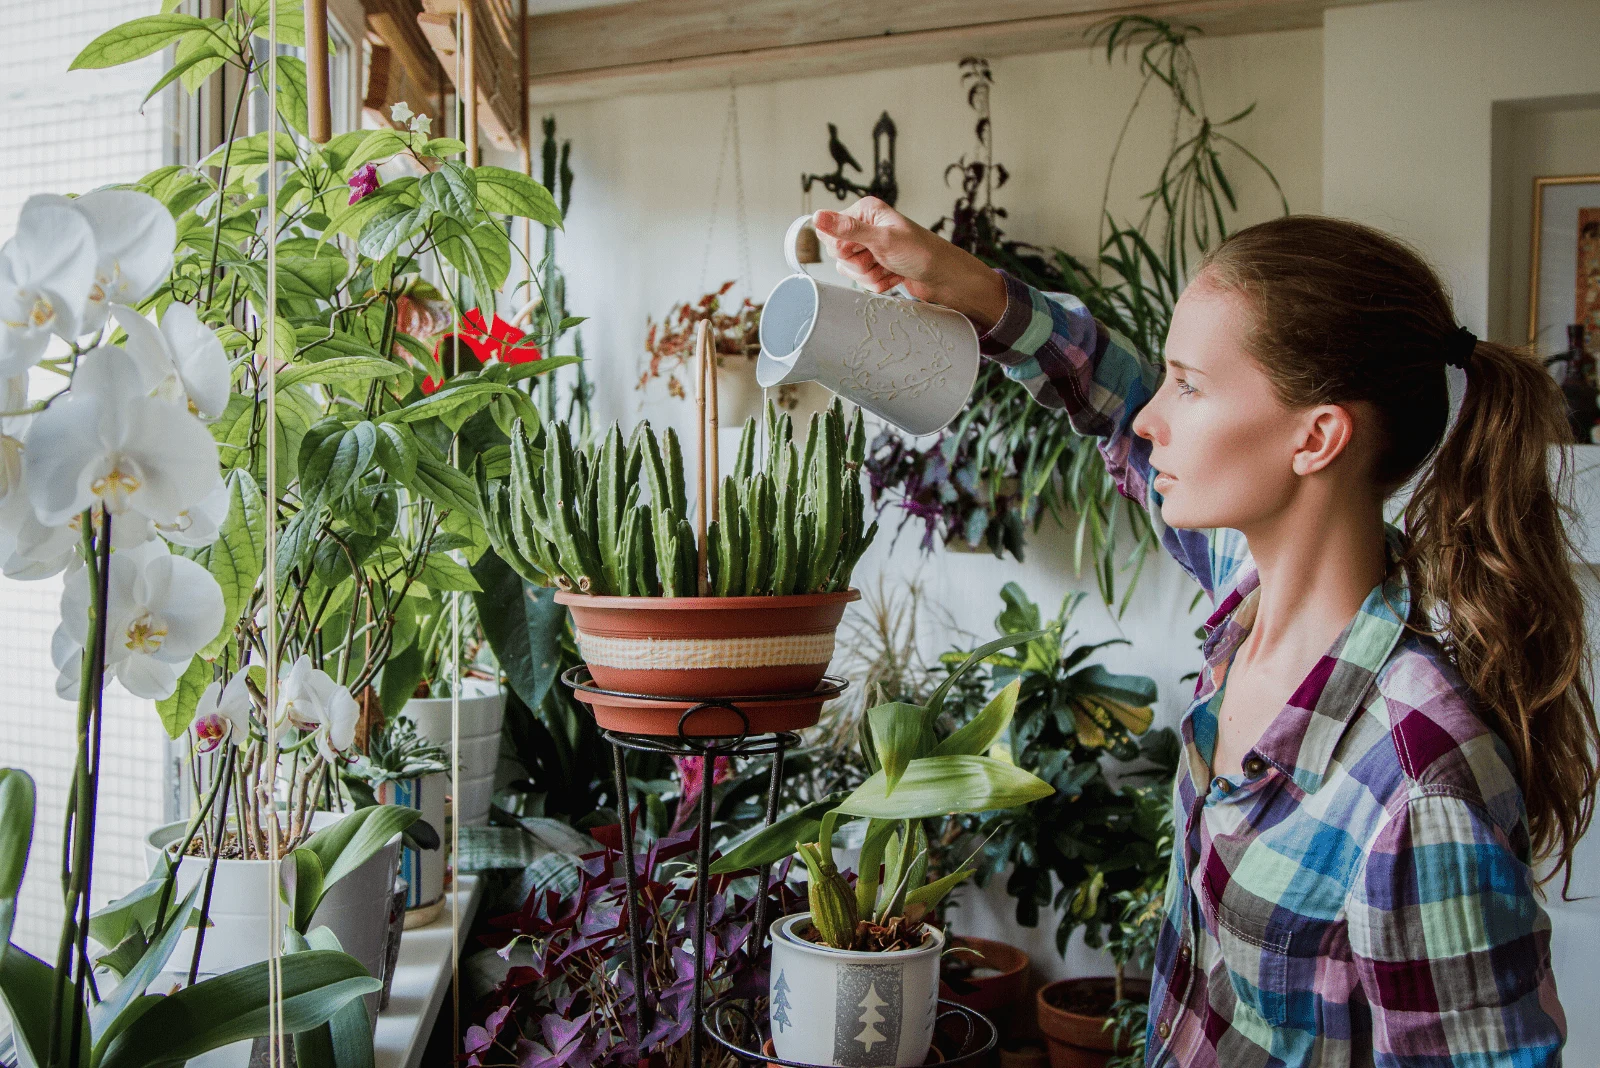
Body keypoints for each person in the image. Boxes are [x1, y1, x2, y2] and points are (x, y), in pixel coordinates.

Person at [812, 198, 1594, 1067]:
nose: (1155, 417)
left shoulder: (1419, 784)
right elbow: (1114, 405)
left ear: (1317, 437)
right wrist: (971, 290)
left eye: (1189, 384)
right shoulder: (1247, 590)